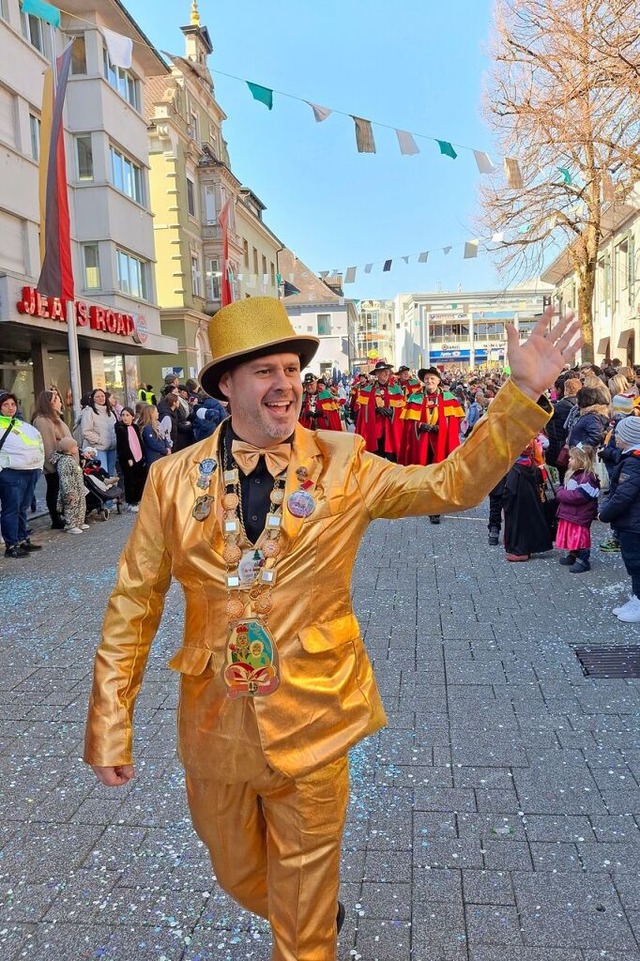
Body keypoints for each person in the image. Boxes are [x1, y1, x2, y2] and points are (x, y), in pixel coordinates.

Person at [84, 296, 581, 961]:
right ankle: (302, 904)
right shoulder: (174, 480)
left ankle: (308, 920)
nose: (284, 383)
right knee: (238, 873)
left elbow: (453, 483)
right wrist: (110, 719)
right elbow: (133, 602)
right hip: (214, 724)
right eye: (263, 370)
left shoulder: (344, 464)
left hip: (317, 718)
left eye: (290, 367)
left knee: (303, 924)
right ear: (226, 383)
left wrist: (520, 394)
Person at [399, 367, 464, 524]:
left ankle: (435, 508)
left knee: (438, 473)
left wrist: (440, 429)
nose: (429, 381)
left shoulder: (449, 397)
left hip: (440, 442)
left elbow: (456, 421)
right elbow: (408, 423)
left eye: (432, 379)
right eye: (427, 379)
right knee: (422, 471)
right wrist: (420, 425)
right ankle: (420, 500)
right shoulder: (415, 397)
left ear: (438, 381)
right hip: (421, 441)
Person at [599, 416, 640, 622]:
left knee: (635, 562)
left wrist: (604, 514)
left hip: (634, 523)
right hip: (632, 521)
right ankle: (637, 597)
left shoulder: (634, 462)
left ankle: (639, 603)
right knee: (634, 561)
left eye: (618, 434)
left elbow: (623, 495)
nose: (614, 436)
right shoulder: (630, 457)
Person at [0, 391, 44, 558]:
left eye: (12, 404)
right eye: (5, 405)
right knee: (11, 509)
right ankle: (11, 545)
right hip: (11, 474)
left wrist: (38, 467)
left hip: (30, 472)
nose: (10, 408)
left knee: (22, 509)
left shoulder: (22, 425)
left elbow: (38, 444)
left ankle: (22, 539)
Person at [501, 439, 554, 562]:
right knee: (528, 523)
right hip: (528, 500)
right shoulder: (530, 465)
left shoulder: (515, 468)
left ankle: (520, 551)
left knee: (518, 525)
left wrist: (504, 501)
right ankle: (527, 549)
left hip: (517, 503)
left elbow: (509, 491)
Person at [554, 444, 600, 573]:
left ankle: (583, 560)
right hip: (571, 514)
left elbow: (578, 496)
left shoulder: (588, 477)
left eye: (572, 458)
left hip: (580, 515)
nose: (569, 460)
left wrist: (560, 493)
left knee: (580, 537)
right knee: (571, 535)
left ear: (581, 460)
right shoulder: (575, 474)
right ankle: (573, 555)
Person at [32, 388, 72, 529]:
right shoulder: (43, 421)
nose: (60, 402)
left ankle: (61, 514)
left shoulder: (54, 418)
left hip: (64, 461)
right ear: (50, 403)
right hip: (55, 463)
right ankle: (55, 518)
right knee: (54, 489)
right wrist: (52, 465)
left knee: (59, 489)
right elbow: (48, 444)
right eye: (57, 400)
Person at [353, 361, 405, 460]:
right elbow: (362, 413)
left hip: (391, 430)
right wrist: (375, 409)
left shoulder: (397, 389)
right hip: (375, 431)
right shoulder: (367, 390)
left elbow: (402, 409)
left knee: (393, 461)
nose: (386, 373)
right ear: (377, 374)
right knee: (376, 461)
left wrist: (393, 412)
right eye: (383, 371)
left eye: (387, 371)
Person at [50, 437, 89, 534]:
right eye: (75, 446)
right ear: (69, 448)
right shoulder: (65, 461)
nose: (77, 448)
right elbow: (65, 478)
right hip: (70, 489)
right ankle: (70, 525)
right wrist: (68, 492)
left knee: (80, 505)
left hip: (78, 487)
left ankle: (79, 522)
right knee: (71, 507)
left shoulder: (71, 459)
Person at [115, 407, 147, 512]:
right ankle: (131, 502)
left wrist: (143, 455)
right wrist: (128, 457)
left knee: (140, 479)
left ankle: (138, 499)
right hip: (128, 458)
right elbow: (122, 445)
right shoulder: (120, 428)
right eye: (123, 415)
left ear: (132, 417)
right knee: (130, 480)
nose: (125, 417)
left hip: (138, 455)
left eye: (127, 415)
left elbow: (138, 441)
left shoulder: (135, 427)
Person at [79, 388, 117, 476]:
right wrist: (99, 440)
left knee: (111, 475)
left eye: (102, 396)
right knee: (103, 474)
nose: (101, 398)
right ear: (93, 399)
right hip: (98, 449)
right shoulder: (89, 412)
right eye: (98, 397)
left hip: (112, 448)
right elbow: (86, 431)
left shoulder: (110, 413)